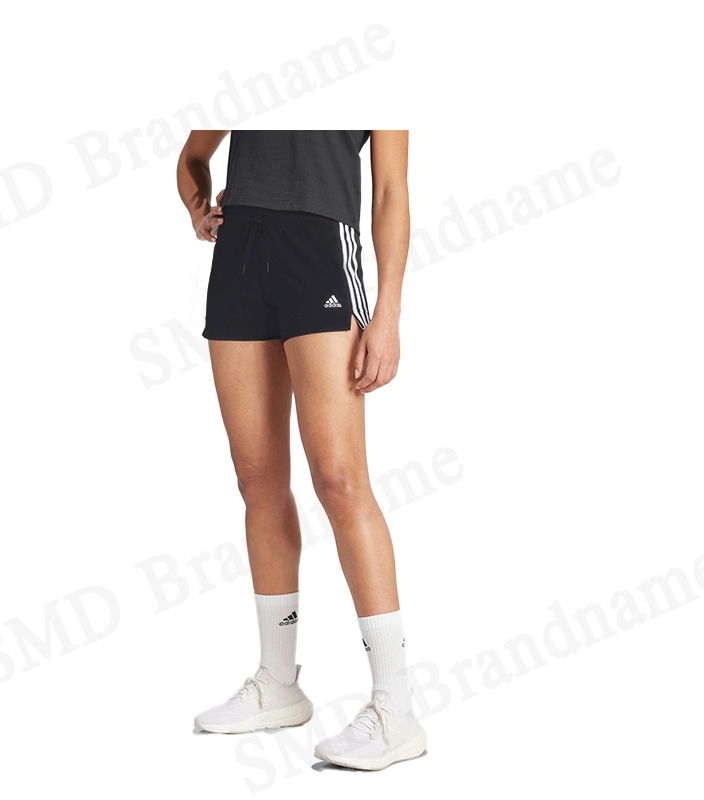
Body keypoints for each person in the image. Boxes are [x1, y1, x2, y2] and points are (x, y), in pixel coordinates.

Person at [176, 130, 426, 770]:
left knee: (340, 479)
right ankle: (279, 682)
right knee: (257, 479)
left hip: (319, 248)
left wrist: (389, 312)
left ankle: (395, 707)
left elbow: (391, 190)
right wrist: (200, 208)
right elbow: (193, 156)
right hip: (239, 253)